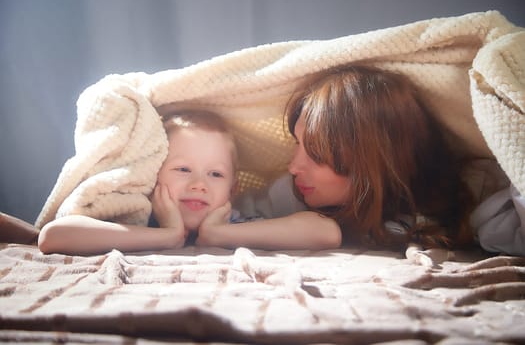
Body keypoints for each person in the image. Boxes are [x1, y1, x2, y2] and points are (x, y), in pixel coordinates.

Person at [197, 65, 476, 251]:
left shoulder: (468, 201)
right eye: (297, 144)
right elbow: (321, 229)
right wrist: (215, 232)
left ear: (371, 159)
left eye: (316, 154)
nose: (293, 167)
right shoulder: (288, 194)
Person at [38, 110, 240, 254]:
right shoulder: (137, 219)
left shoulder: (238, 225)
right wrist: (169, 235)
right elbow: (52, 236)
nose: (199, 184)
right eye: (183, 169)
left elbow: (274, 231)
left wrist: (217, 233)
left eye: (215, 174)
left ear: (232, 190)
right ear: (151, 173)